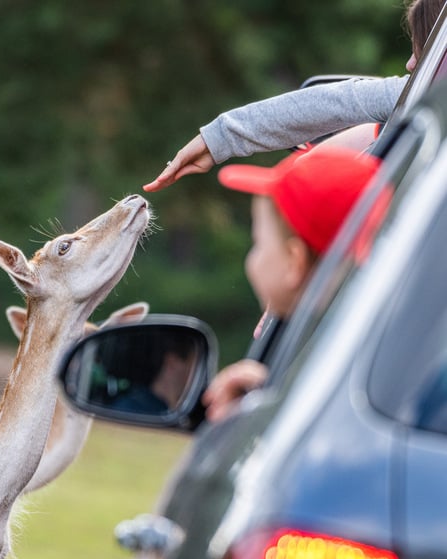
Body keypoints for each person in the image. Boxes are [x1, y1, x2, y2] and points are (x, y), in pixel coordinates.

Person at [143, 0, 443, 193]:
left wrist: (218, 139)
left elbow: (334, 102)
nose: (410, 65)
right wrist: (216, 140)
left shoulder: (428, 96)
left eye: (421, 52)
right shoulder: (422, 96)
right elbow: (332, 103)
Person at [201, 146, 382, 423]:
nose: (252, 260)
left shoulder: (324, 363)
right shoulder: (365, 357)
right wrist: (265, 387)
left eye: (258, 243)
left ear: (293, 262)